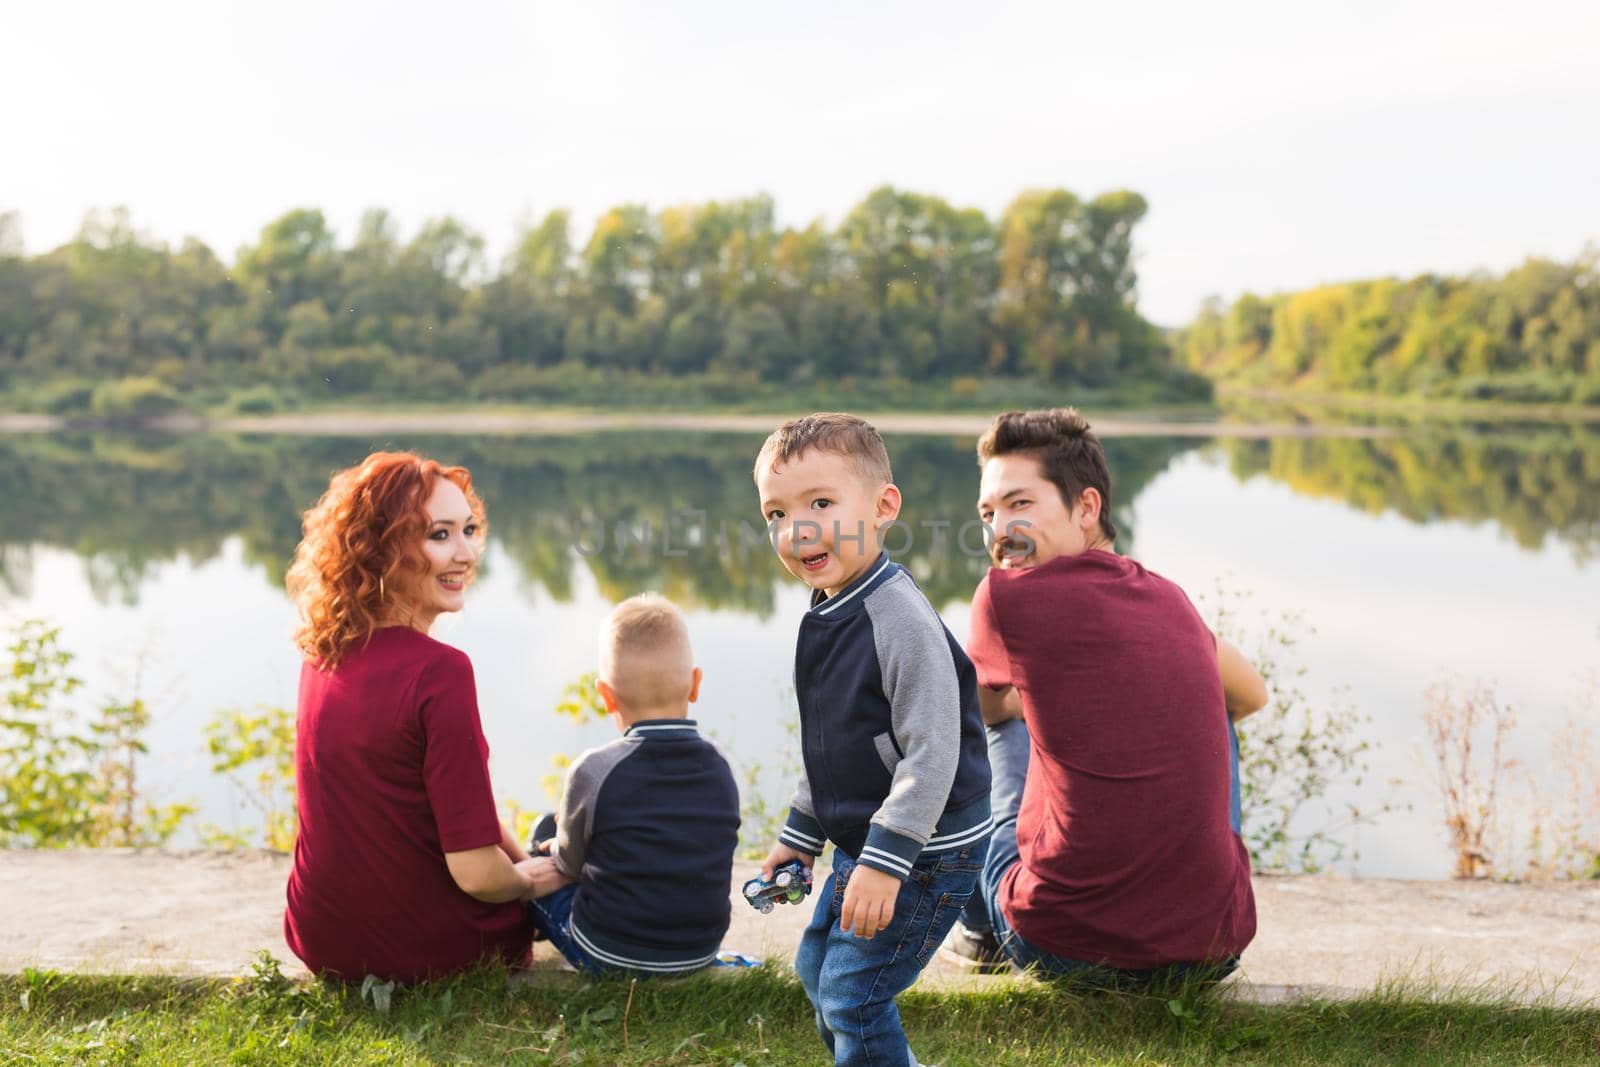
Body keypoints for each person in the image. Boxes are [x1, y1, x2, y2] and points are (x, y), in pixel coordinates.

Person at [947, 408, 1267, 985]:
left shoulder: (1003, 598)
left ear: (1086, 507)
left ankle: (980, 932)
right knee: (1214, 710)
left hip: (1059, 946)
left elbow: (977, 715)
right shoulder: (1170, 600)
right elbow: (1251, 694)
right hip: (1213, 952)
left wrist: (1029, 701)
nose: (999, 531)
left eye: (1021, 504)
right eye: (989, 512)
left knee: (994, 727)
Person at [753, 413, 991, 1067]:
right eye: (776, 512)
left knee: (853, 993)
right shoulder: (831, 607)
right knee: (817, 967)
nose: (796, 528)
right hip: (872, 840)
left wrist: (886, 863)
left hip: (926, 848)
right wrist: (801, 836)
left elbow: (932, 751)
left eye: (821, 503)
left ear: (883, 506)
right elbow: (833, 748)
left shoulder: (898, 616)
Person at [283, 451, 561, 983]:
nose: (466, 553)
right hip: (424, 949)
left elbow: (454, 817)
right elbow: (478, 874)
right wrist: (531, 880)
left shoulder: (323, 654)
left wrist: (515, 857)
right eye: (439, 535)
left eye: (470, 530)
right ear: (382, 549)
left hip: (322, 936)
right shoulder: (440, 672)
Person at [521, 594, 741, 977]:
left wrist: (551, 845)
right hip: (698, 950)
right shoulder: (720, 765)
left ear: (606, 696)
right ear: (695, 684)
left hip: (609, 954)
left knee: (542, 832)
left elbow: (568, 863)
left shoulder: (594, 768)